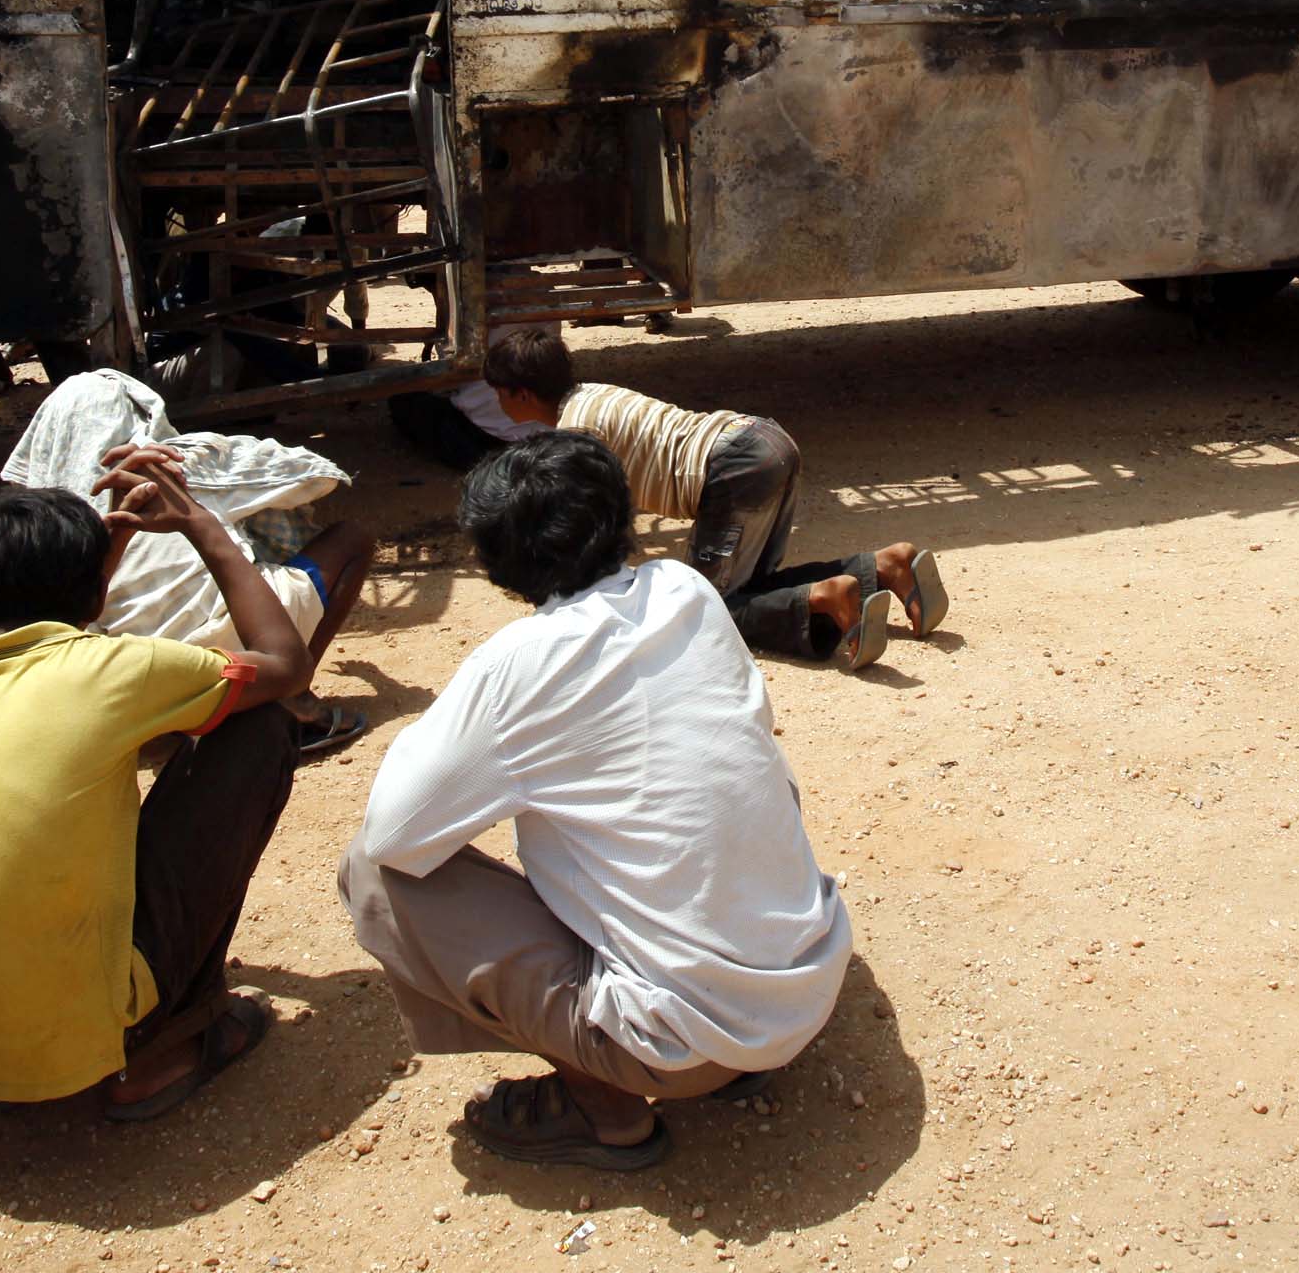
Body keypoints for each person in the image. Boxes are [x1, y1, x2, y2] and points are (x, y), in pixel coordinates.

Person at [338, 432, 852, 1171]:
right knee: (740, 766)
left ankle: (602, 1107)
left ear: (500, 566)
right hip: (809, 981)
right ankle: (736, 1035)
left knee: (372, 873)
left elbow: (394, 835)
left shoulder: (517, 665)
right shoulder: (686, 590)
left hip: (687, 1041)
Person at [0, 469, 328, 1116]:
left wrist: (99, 554)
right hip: (83, 1037)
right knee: (261, 721)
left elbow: (67, 639)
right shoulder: (118, 670)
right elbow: (286, 664)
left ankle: (21, 1068)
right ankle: (157, 1050)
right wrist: (205, 528)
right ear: (96, 599)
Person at [482, 324, 947, 672]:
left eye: (499, 393)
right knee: (753, 590)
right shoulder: (594, 395)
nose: (498, 403)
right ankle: (881, 569)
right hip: (766, 441)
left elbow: (601, 517)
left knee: (706, 607)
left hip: (734, 467)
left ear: (519, 393)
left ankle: (827, 597)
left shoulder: (575, 430)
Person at [0, 366, 375, 759]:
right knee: (352, 538)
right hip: (242, 654)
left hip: (133, 675)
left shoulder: (39, 525)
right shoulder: (173, 470)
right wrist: (196, 459)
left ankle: (166, 731)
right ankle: (293, 695)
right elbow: (310, 475)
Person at [386, 322, 554, 471]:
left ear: (523, 396)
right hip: (542, 439)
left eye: (499, 394)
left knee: (403, 400)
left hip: (484, 438)